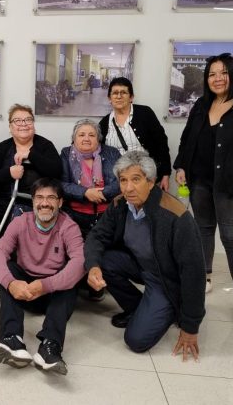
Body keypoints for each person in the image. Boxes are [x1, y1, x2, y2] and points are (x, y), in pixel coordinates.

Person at [174, 53, 233, 326]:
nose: (217, 78)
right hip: (199, 182)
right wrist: (181, 166)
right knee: (202, 230)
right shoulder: (201, 105)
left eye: (223, 73)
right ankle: (205, 277)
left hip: (230, 187)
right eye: (212, 73)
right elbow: (187, 139)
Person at [85, 151, 205, 359]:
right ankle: (138, 308)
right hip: (140, 265)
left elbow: (194, 274)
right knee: (103, 260)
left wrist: (190, 327)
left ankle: (168, 309)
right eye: (123, 180)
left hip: (166, 279)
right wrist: (93, 266)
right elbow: (97, 236)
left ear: (151, 183)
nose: (128, 187)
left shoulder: (176, 216)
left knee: (136, 340)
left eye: (136, 179)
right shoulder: (120, 204)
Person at [0, 178, 84, 375]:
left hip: (52, 294)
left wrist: (46, 285)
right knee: (8, 269)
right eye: (39, 197)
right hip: (23, 290)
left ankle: (49, 347)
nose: (44, 203)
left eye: (51, 198)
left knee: (71, 279)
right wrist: (11, 284)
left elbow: (80, 263)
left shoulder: (69, 227)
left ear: (60, 202)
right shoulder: (20, 222)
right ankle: (12, 341)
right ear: (32, 201)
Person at [0, 104, 62, 248]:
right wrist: (9, 173)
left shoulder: (45, 145)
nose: (23, 124)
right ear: (10, 127)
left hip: (37, 202)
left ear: (33, 124)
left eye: (28, 120)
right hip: (5, 200)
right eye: (17, 120)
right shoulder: (2, 148)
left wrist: (31, 155)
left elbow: (56, 171)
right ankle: (0, 260)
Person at [99, 77, 171, 191]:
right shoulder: (104, 123)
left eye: (123, 92)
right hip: (117, 181)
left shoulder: (145, 113)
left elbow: (161, 142)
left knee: (146, 208)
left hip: (145, 178)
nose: (119, 96)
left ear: (131, 97)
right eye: (115, 93)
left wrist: (166, 174)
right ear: (109, 98)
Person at [60, 119, 120, 238]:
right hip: (75, 216)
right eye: (81, 135)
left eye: (92, 135)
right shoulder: (66, 153)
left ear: (98, 139)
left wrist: (100, 193)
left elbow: (121, 182)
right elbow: (61, 184)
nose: (86, 139)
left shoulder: (112, 153)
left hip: (108, 215)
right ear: (74, 138)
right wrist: (85, 192)